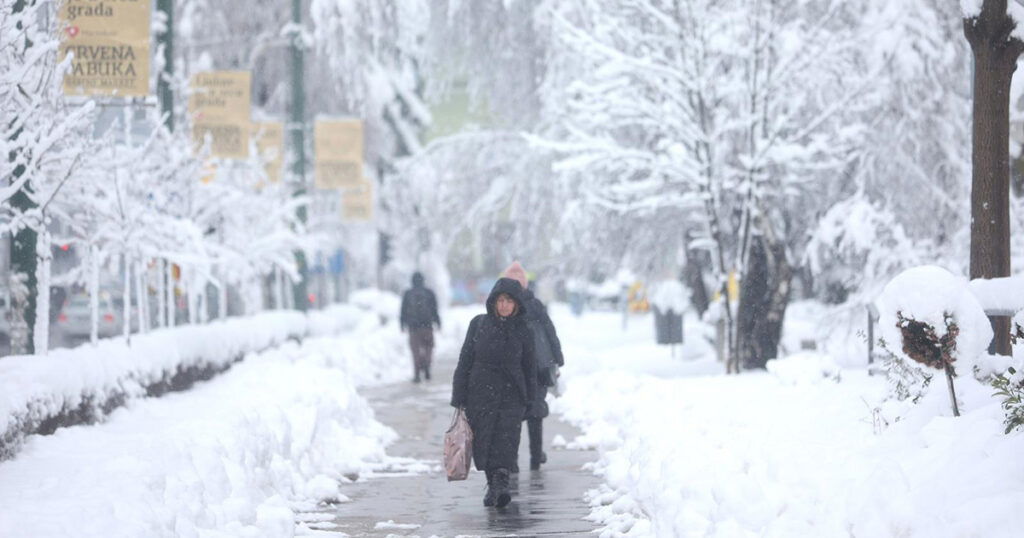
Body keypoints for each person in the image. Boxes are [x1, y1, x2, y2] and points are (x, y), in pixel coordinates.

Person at [450, 277, 538, 508]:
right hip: (480, 394)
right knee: (485, 441)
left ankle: (501, 483)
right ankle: (493, 485)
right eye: (500, 300)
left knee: (506, 441)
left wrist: (532, 398)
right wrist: (459, 394)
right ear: (493, 302)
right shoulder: (478, 324)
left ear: (516, 304)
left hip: (512, 394)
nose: (504, 305)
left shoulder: (524, 329)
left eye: (509, 301)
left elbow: (530, 366)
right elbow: (465, 360)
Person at [503, 262, 564, 471]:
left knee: (514, 415)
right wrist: (557, 359)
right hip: (538, 367)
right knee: (536, 412)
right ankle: (536, 456)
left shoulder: (504, 307)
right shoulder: (535, 305)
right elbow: (550, 332)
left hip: (514, 369)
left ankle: (511, 462)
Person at [400, 272, 441, 383]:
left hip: (413, 328)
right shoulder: (429, 293)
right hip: (427, 326)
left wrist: (402, 324)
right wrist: (438, 322)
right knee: (428, 347)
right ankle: (427, 364)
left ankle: (417, 374)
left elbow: (403, 310)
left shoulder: (408, 294)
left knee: (415, 351)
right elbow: (435, 309)